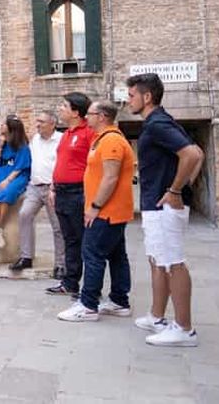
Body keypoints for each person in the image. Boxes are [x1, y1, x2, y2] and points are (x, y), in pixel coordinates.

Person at [127, 73, 204, 346]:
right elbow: (198, 153)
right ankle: (157, 317)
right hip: (155, 204)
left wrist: (175, 190)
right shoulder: (158, 122)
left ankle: (184, 329)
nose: (128, 101)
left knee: (173, 263)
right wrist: (183, 187)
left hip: (164, 206)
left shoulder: (159, 123)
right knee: (158, 260)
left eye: (132, 95)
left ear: (147, 97)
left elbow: (192, 155)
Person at [57, 101, 135, 322]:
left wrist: (95, 207)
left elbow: (110, 177)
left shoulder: (111, 140)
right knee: (117, 255)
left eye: (90, 114)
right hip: (110, 210)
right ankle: (119, 301)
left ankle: (88, 305)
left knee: (92, 254)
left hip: (106, 211)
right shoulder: (103, 139)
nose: (86, 117)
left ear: (101, 116)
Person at [46, 92, 95, 297]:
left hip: (78, 192)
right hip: (61, 192)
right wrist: (53, 187)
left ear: (76, 112)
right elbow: (61, 163)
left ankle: (90, 288)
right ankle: (70, 282)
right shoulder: (66, 134)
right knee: (69, 239)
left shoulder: (89, 133)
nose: (60, 109)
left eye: (64, 106)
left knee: (84, 240)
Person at [10, 111, 64, 275]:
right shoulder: (35, 140)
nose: (38, 124)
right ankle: (26, 257)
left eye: (42, 121)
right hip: (34, 187)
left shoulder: (61, 139)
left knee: (58, 226)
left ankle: (61, 264)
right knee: (24, 215)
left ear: (52, 124)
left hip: (53, 188)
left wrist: (55, 185)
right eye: (37, 121)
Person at [0, 115, 31, 249]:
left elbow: (20, 167)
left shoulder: (21, 144)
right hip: (0, 171)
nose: (1, 126)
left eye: (4, 124)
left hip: (17, 174)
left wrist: (8, 180)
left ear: (11, 128)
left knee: (7, 192)